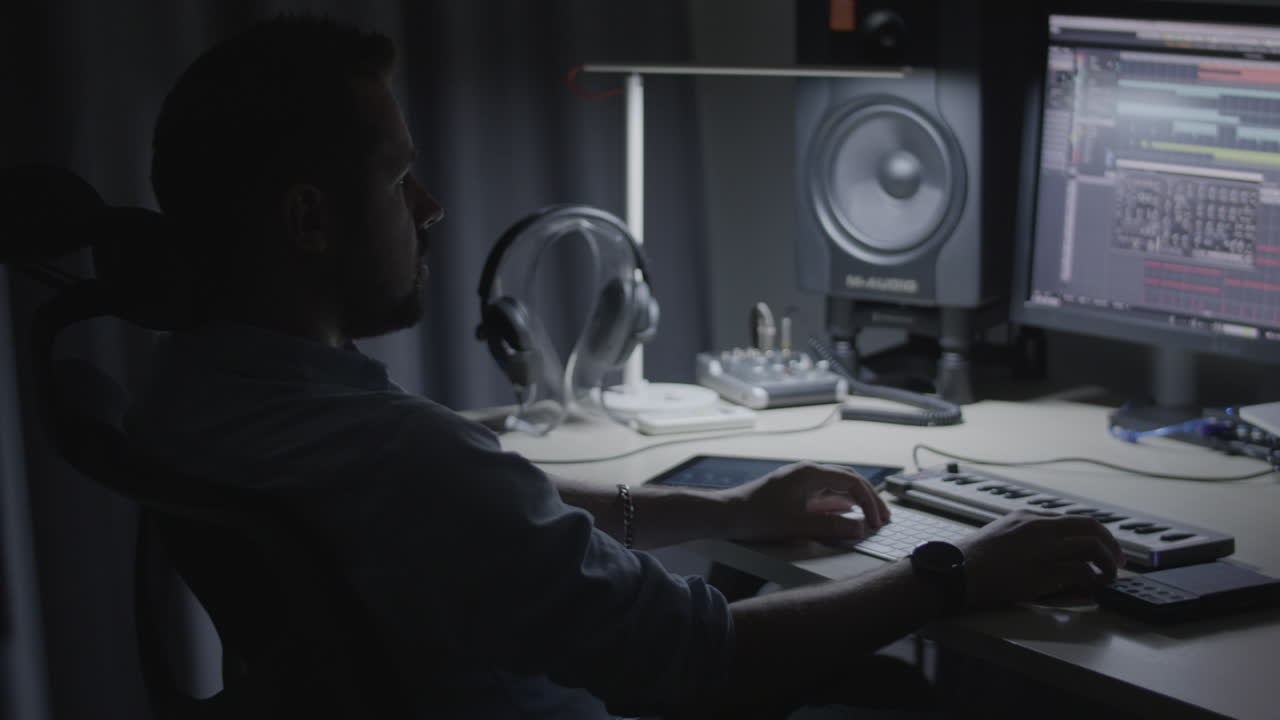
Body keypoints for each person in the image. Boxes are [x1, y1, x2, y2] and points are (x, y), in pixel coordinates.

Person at [127, 14, 1124, 720]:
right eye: (398, 178)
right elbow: (702, 658)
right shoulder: (399, 458)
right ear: (308, 219)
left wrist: (732, 512)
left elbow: (488, 512)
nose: (430, 208)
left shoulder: (202, 394)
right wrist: (952, 571)